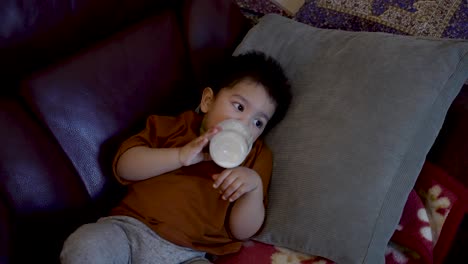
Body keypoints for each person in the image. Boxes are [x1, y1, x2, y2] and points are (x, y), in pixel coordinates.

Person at [60, 51, 292, 264]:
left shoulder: (256, 158)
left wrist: (251, 189)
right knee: (85, 247)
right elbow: (124, 167)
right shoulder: (174, 127)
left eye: (258, 122)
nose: (245, 124)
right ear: (207, 101)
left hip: (188, 255)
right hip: (129, 230)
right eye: (239, 107)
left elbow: (243, 231)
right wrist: (179, 156)